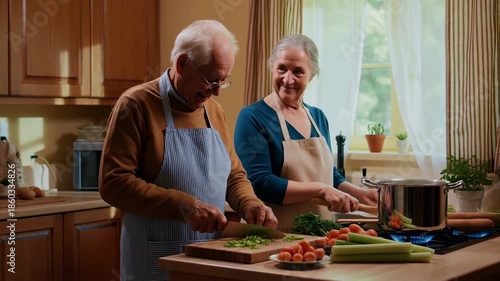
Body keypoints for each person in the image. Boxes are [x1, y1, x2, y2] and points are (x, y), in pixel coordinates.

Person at [99, 20, 278, 281]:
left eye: (223, 81)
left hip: (209, 258)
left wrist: (249, 203)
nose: (217, 90)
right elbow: (113, 183)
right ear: (182, 64)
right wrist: (185, 206)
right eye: (211, 79)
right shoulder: (135, 105)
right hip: (155, 259)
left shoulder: (214, 111)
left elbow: (233, 175)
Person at [234, 34, 377, 232]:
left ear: (312, 75)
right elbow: (259, 183)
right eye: (281, 68)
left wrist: (358, 193)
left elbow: (327, 173)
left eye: (298, 72)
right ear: (272, 68)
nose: (287, 79)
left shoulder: (317, 117)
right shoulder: (253, 117)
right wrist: (321, 190)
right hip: (275, 238)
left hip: (321, 236)